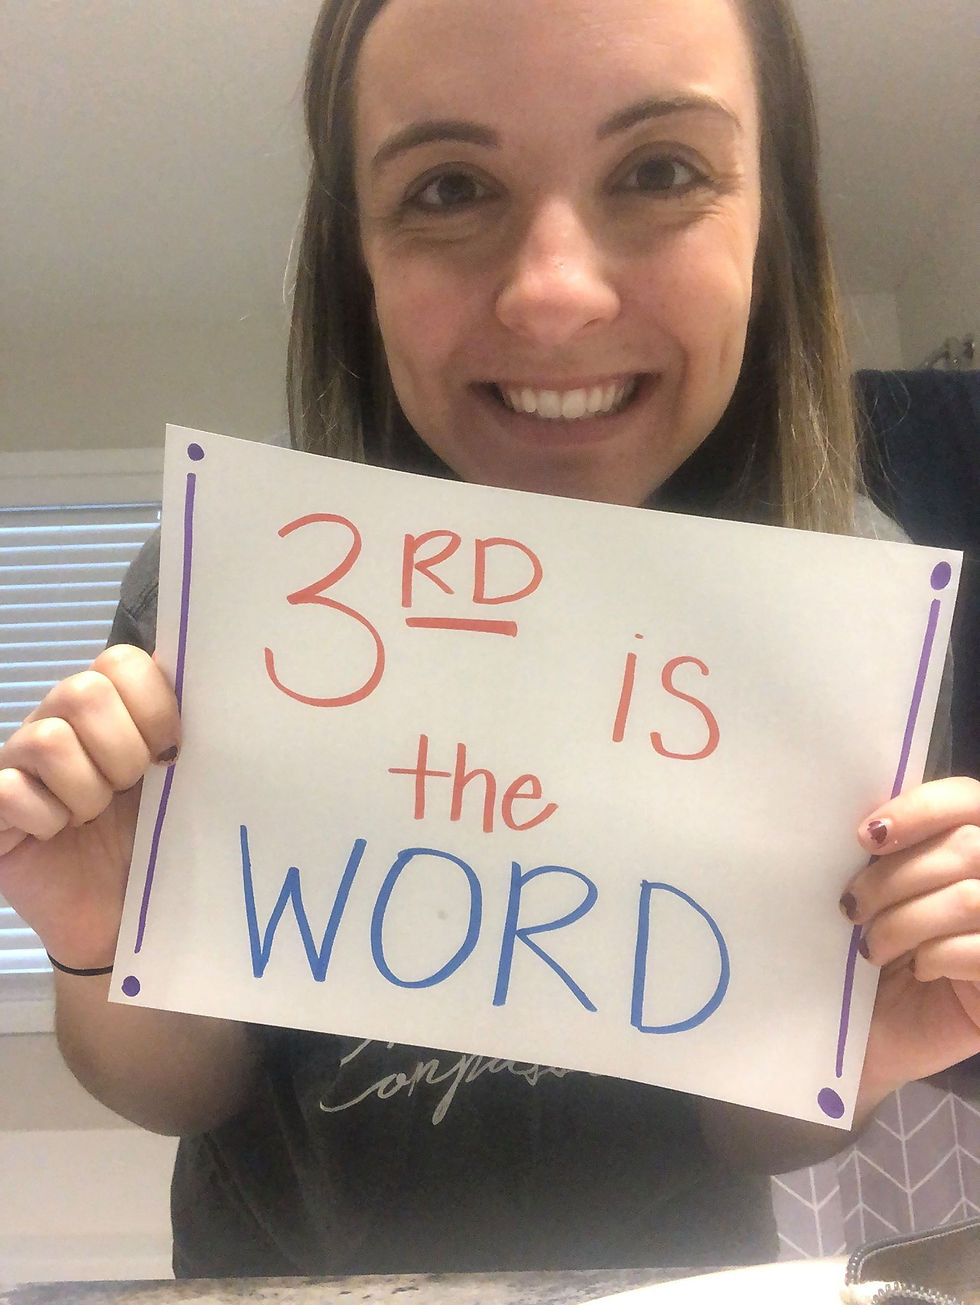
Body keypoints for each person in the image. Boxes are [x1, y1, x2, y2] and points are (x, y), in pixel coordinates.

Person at [1, 0, 979, 1278]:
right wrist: (95, 936)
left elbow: (749, 1137)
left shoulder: (852, 610)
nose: (553, 296)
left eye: (659, 170)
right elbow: (183, 1089)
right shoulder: (226, 582)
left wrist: (865, 1050)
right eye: (449, 188)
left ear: (769, 219)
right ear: (356, 252)